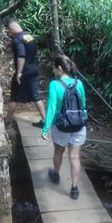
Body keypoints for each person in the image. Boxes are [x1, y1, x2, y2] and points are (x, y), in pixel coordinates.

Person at [41, 55, 87, 200]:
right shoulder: (78, 83)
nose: (54, 71)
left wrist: (45, 128)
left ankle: (55, 174)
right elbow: (83, 104)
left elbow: (52, 108)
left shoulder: (55, 84)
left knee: (59, 151)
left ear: (59, 68)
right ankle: (74, 189)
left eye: (54, 68)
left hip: (61, 126)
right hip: (78, 125)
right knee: (74, 157)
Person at [4, 19, 46, 128]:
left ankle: (7, 120)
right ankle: (45, 121)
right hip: (33, 70)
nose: (9, 34)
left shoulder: (17, 40)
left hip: (23, 73)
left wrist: (19, 73)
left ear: (12, 28)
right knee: (36, 96)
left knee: (15, 98)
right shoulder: (28, 36)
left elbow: (21, 55)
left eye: (9, 31)